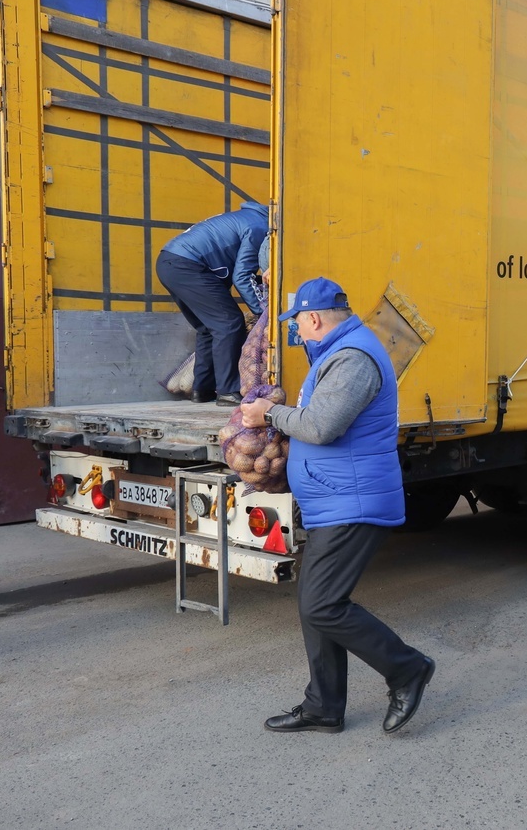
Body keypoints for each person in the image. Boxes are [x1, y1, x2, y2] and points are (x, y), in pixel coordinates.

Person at [242, 277, 434, 735]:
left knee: (322, 604)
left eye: (299, 325)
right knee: (316, 603)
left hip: (354, 501)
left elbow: (323, 426)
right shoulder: (338, 352)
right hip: (335, 498)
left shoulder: (353, 358)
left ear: (313, 318)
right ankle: (323, 707)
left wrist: (266, 415)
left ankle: (406, 668)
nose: (298, 333)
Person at [156, 201, 268, 405]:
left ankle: (202, 389)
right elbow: (242, 277)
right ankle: (228, 390)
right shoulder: (260, 226)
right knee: (230, 323)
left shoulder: (245, 218)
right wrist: (262, 312)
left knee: (209, 328)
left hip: (169, 263)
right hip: (188, 265)